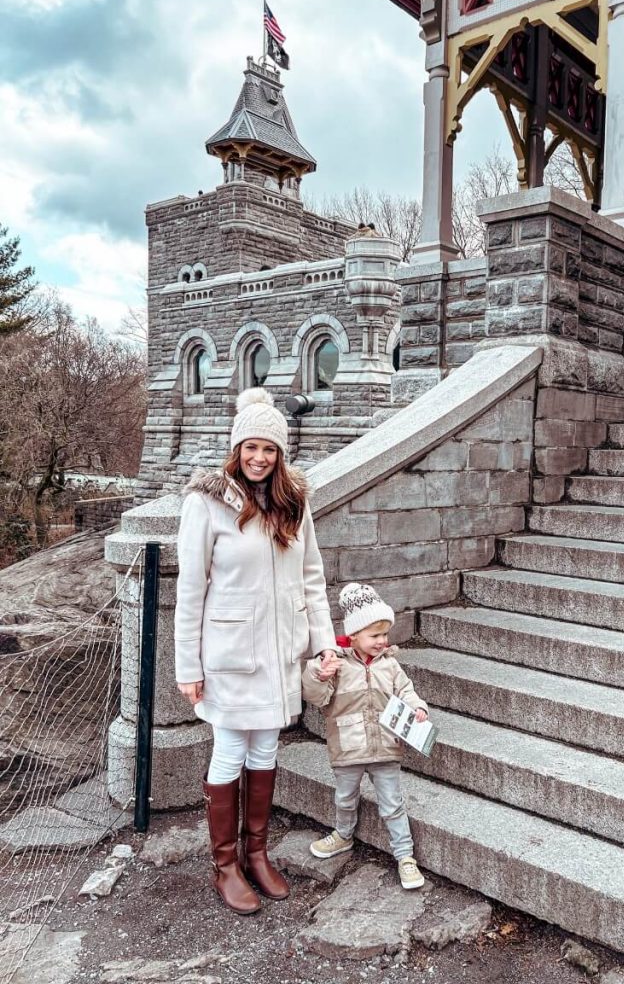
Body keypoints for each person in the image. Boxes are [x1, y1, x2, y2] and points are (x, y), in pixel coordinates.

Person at [175, 387, 336, 915]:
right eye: (251, 448)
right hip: (228, 655)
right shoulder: (206, 503)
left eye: (269, 449)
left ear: (281, 454)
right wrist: (187, 666)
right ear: (236, 449)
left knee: (266, 751)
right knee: (229, 751)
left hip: (280, 653)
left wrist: (322, 647)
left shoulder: (294, 503)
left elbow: (312, 579)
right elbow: (190, 589)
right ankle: (225, 865)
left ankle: (257, 853)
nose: (259, 458)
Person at [302, 582, 428, 890]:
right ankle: (343, 835)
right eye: (374, 635)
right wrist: (320, 674)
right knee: (345, 798)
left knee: (392, 803)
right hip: (349, 747)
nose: (382, 641)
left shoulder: (390, 665)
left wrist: (418, 708)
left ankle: (405, 856)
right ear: (354, 635)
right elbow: (316, 696)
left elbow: (406, 691)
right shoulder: (336, 664)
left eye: (385, 634)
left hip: (386, 746)